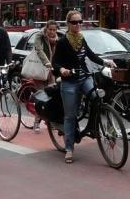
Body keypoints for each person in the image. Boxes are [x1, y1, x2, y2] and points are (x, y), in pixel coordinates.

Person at [52, 10, 115, 164]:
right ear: (68, 24)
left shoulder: (81, 38)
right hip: (70, 81)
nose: (78, 25)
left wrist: (105, 62)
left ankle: (93, 128)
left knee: (97, 98)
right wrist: (62, 70)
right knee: (70, 115)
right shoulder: (62, 42)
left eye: (80, 22)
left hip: (84, 77)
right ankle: (69, 148)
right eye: (74, 22)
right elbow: (55, 62)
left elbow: (90, 55)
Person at [30, 20, 60, 131]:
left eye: (54, 30)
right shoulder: (40, 36)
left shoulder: (57, 39)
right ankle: (36, 122)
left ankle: (50, 121)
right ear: (46, 28)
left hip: (51, 71)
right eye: (50, 29)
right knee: (41, 96)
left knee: (52, 96)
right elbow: (39, 49)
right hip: (40, 68)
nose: (52, 32)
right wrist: (47, 62)